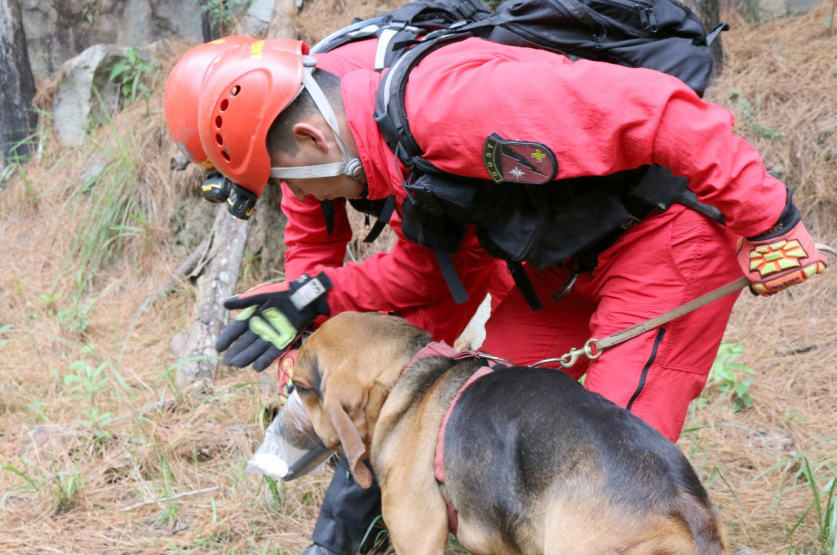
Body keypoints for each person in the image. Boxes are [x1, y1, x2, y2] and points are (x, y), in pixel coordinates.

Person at [167, 37, 828, 552]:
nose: (299, 200)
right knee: (479, 417)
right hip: (550, 262)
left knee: (596, 463)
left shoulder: (450, 102)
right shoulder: (314, 119)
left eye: (293, 185)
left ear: (309, 140)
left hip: (663, 239)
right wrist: (305, 298)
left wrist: (768, 218)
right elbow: (389, 274)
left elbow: (662, 111)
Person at [165, 38, 507, 555]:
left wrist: (323, 308)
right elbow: (309, 238)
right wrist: (308, 334)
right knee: (329, 342)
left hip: (481, 229)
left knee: (400, 366)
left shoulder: (357, 111)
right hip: (435, 226)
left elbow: (426, 275)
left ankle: (345, 536)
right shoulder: (288, 121)